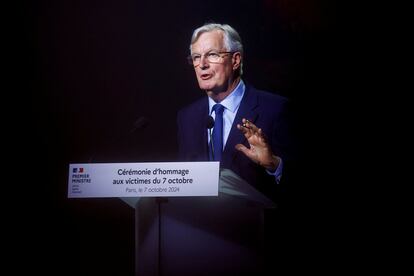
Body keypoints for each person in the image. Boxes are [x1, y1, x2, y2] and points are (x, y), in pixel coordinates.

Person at [177, 23, 292, 202]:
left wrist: (273, 165)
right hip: (201, 226)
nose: (202, 64)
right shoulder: (187, 117)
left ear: (236, 60)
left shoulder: (275, 109)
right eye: (196, 57)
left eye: (212, 55)